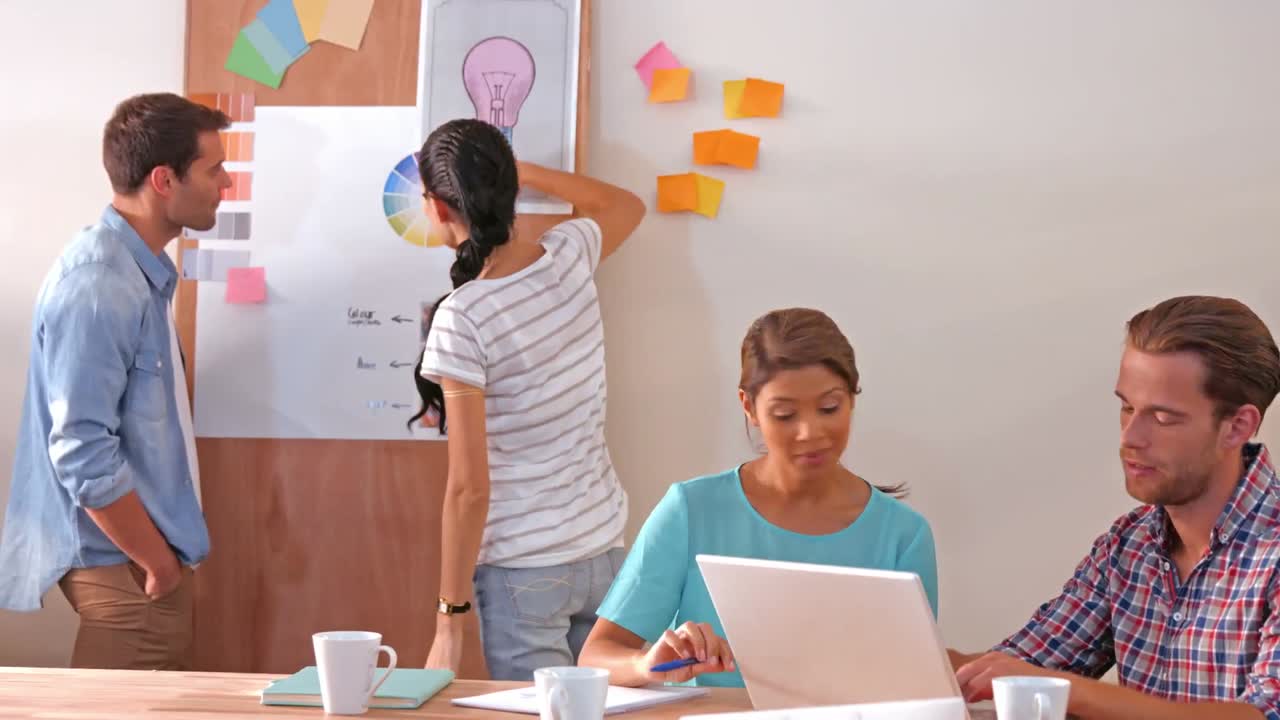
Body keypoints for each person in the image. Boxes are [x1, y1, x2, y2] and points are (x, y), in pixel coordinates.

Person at [952, 296, 1280, 720]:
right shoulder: (1129, 544)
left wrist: (1063, 691)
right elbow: (1020, 663)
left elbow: (1264, 714)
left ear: (1238, 426)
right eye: (1126, 407)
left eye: (1162, 418)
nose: (1130, 437)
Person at [578, 307, 939, 687]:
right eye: (785, 414)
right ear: (749, 407)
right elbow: (596, 657)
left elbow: (915, 684)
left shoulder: (903, 535)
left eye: (829, 408)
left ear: (852, 398)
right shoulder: (691, 510)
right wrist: (644, 665)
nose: (809, 432)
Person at [0, 93, 230, 669]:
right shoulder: (100, 283)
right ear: (163, 179)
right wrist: (156, 563)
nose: (224, 184)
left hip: (138, 567)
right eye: (213, 169)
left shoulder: (135, 274)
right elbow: (81, 451)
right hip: (127, 572)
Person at [412, 119, 646, 680]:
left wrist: (449, 623)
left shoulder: (464, 317)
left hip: (525, 575)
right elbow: (624, 205)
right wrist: (516, 172)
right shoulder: (570, 254)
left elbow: (469, 489)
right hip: (607, 556)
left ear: (439, 208)